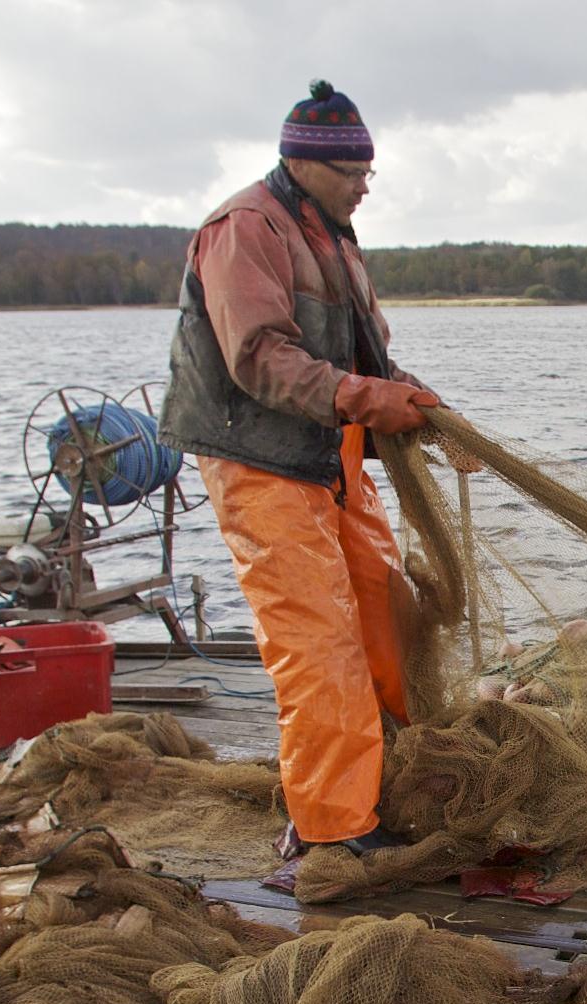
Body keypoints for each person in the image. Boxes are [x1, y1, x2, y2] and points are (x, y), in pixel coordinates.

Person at [160, 80, 441, 865]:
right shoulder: (247, 227)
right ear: (306, 162)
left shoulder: (335, 234)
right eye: (354, 172)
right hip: (260, 462)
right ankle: (334, 827)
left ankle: (391, 780)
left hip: (334, 458)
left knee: (388, 614)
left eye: (369, 173)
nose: (365, 187)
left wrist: (409, 402)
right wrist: (367, 398)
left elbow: (359, 357)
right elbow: (260, 360)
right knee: (318, 641)